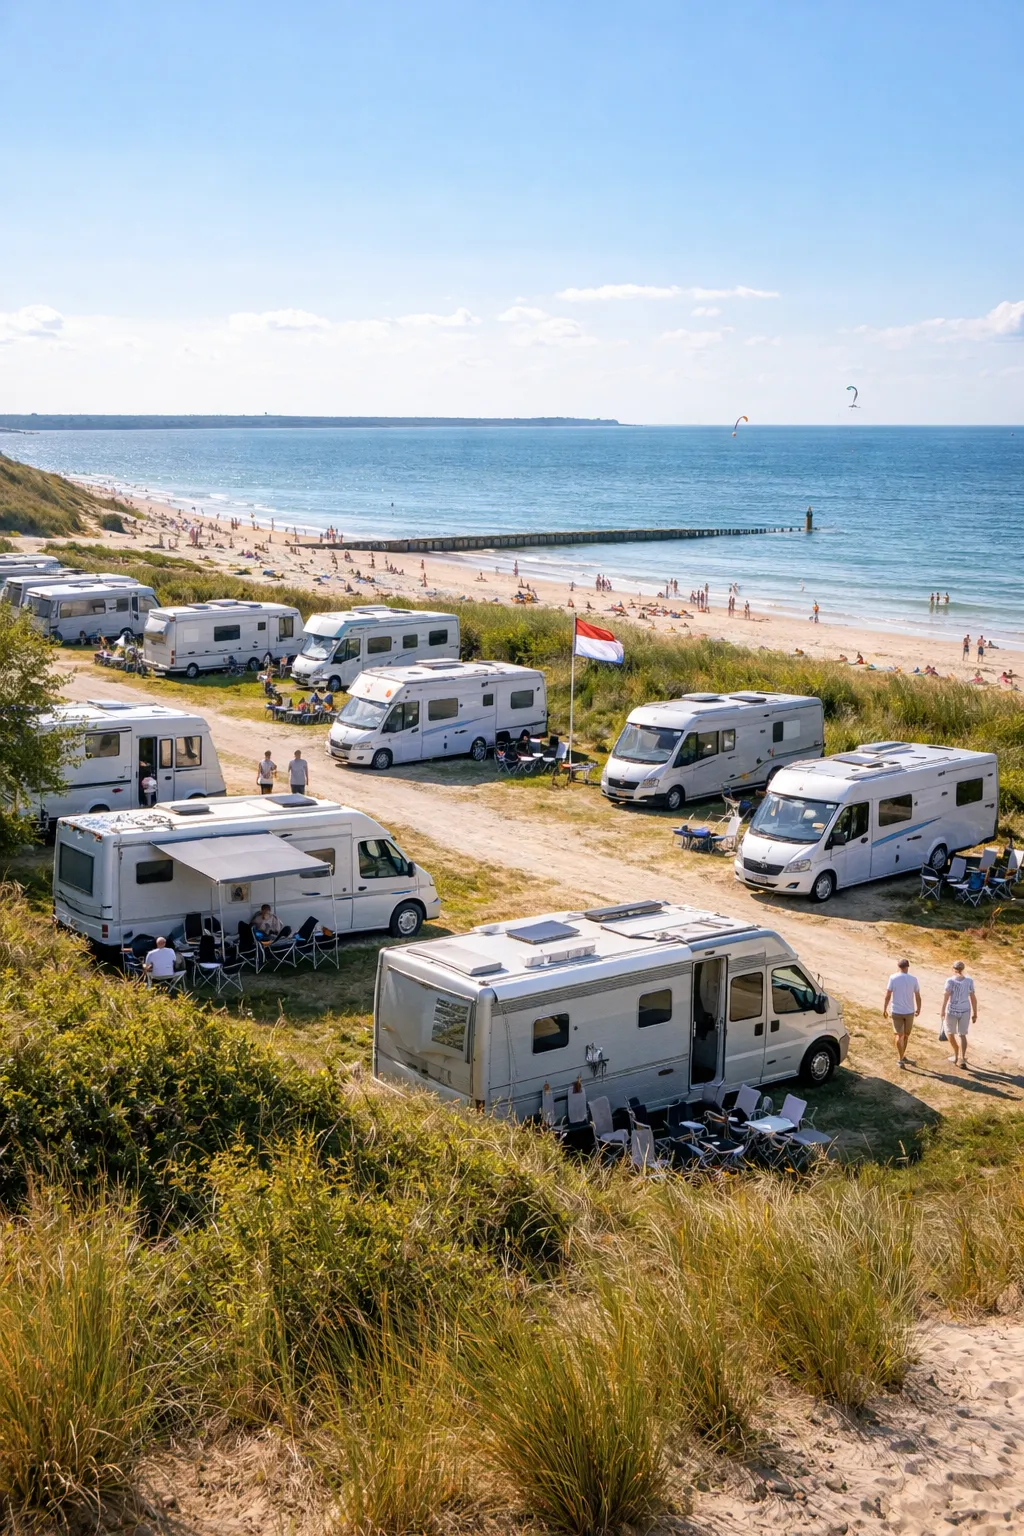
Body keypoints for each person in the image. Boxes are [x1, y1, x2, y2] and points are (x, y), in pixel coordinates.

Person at [883, 957, 921, 1068]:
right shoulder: (913, 979)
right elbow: (918, 996)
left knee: (899, 1036)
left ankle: (901, 1057)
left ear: (898, 967)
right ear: (907, 967)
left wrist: (885, 1008)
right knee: (905, 1036)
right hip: (909, 1011)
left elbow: (888, 994)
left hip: (896, 1011)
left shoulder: (893, 978)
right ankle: (901, 1058)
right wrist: (919, 1008)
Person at [941, 960, 977, 1068]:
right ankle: (962, 1058)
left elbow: (946, 996)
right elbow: (973, 998)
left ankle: (956, 1053)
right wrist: (975, 1013)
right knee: (962, 1035)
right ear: (963, 969)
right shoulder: (969, 981)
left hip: (952, 1010)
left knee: (949, 1032)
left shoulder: (950, 981)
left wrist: (942, 1010)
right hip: (965, 1010)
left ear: (953, 969)